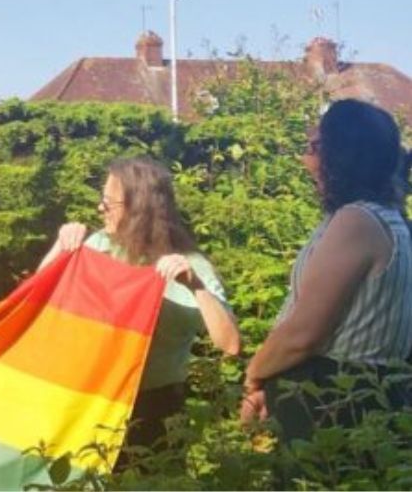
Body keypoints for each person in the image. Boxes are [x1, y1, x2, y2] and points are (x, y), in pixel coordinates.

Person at [241, 100, 412, 458]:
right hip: (370, 399)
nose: (307, 162)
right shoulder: (393, 221)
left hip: (334, 402)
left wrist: (255, 375)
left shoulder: (357, 222)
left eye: (316, 147)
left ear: (343, 155)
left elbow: (303, 333)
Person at [38, 157, 240, 457]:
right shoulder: (100, 246)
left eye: (109, 203)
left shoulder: (190, 264)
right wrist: (61, 247)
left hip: (155, 409)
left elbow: (230, 344)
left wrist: (195, 286)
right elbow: (40, 299)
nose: (99, 209)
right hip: (92, 399)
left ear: (138, 208)